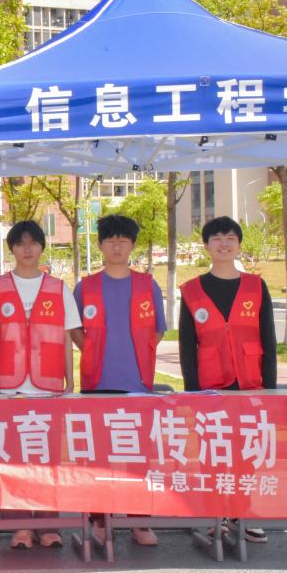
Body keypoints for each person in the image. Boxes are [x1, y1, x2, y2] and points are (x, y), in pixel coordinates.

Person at [0, 220, 80, 550]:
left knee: (48, 461)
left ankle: (49, 525)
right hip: (9, 386)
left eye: (33, 243)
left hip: (49, 385)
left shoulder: (59, 288)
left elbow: (66, 337)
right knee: (12, 460)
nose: (27, 249)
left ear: (41, 247)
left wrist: (70, 382)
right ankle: (19, 525)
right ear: (12, 248)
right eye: (20, 243)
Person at [180, 216, 277, 544]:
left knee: (248, 451)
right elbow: (187, 346)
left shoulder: (255, 286)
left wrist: (270, 390)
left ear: (238, 244)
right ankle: (216, 514)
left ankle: (243, 512)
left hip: (250, 383)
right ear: (206, 246)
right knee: (213, 451)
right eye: (217, 238)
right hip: (210, 387)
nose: (224, 243)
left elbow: (269, 340)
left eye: (230, 238)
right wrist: (192, 392)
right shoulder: (192, 290)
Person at [74, 215, 166, 547]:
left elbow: (158, 329)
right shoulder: (86, 287)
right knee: (100, 457)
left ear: (133, 245)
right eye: (110, 240)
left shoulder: (148, 285)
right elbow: (74, 328)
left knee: (139, 456)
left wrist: (138, 354)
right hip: (97, 383)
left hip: (137, 383)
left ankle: (139, 521)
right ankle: (99, 519)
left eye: (123, 241)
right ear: (100, 244)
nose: (116, 247)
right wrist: (91, 350)